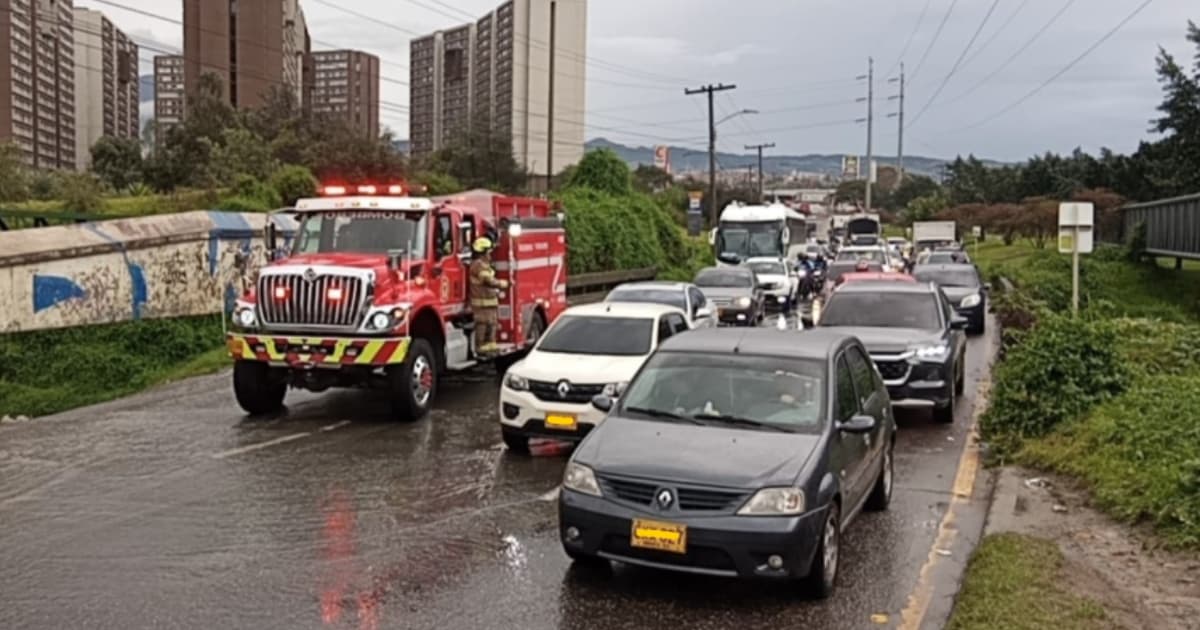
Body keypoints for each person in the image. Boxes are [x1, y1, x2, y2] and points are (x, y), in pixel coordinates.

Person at [469, 237, 509, 356]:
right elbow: (488, 281)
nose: (490, 255)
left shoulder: (483, 265)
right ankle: (481, 347)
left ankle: (490, 345)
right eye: (489, 252)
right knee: (483, 323)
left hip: (489, 303)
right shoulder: (478, 265)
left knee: (491, 323)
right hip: (482, 304)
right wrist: (504, 283)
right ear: (483, 252)